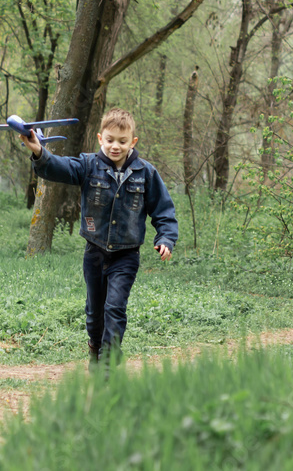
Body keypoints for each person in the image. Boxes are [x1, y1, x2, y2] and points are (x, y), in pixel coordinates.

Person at [19, 107, 178, 368]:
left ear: (133, 142)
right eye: (110, 140)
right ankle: (95, 350)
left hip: (126, 255)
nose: (116, 146)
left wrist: (166, 238)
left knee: (115, 308)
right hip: (94, 252)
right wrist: (38, 150)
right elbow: (58, 167)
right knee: (94, 313)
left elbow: (164, 210)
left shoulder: (145, 172)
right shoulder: (87, 165)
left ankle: (108, 363)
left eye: (122, 141)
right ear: (100, 138)